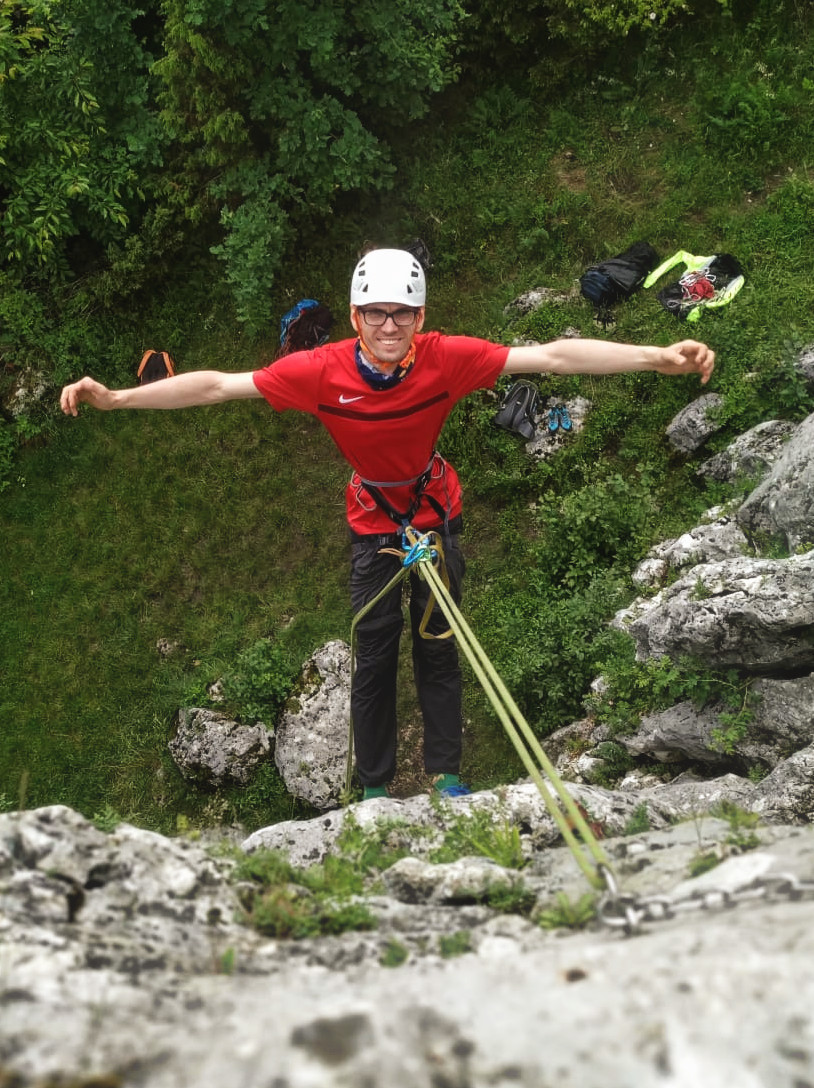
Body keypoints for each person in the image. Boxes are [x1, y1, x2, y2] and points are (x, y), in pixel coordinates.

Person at [61, 248, 715, 800]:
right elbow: (216, 387)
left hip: (435, 516)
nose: (389, 324)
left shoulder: (444, 359)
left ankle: (448, 777)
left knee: (438, 642)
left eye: (402, 312)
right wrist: (118, 399)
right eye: (376, 312)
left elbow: (552, 358)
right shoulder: (320, 372)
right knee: (374, 656)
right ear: (355, 317)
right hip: (375, 522)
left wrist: (657, 356)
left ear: (420, 316)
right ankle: (374, 787)